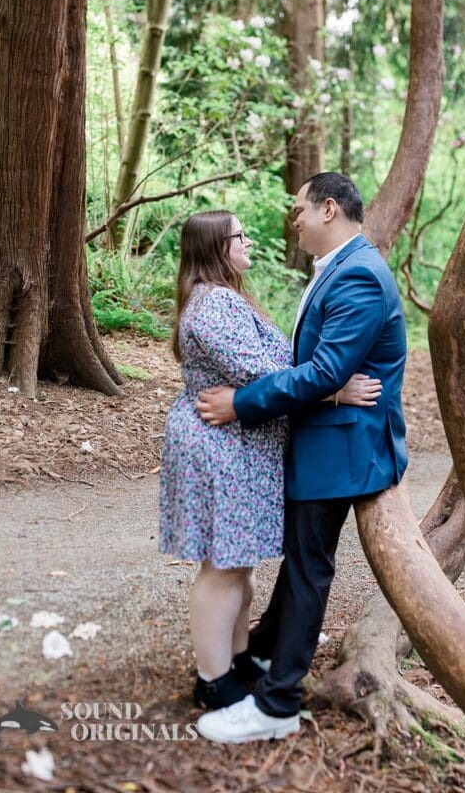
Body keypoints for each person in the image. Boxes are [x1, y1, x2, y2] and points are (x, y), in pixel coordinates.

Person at [195, 173, 408, 743]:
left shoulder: (359, 273)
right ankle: (265, 654)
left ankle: (279, 702)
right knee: (299, 562)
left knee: (309, 569)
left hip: (343, 448)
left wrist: (241, 404)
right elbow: (317, 367)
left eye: (299, 210)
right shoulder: (343, 265)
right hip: (327, 435)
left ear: (329, 210)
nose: (294, 220)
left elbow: (323, 372)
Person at [159, 209, 382, 712]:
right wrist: (333, 390)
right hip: (219, 450)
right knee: (223, 568)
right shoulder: (213, 304)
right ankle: (213, 681)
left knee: (240, 566)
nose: (249, 241)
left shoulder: (232, 297)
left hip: (240, 448)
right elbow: (261, 372)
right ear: (218, 247)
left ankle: (236, 661)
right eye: (240, 235)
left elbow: (274, 368)